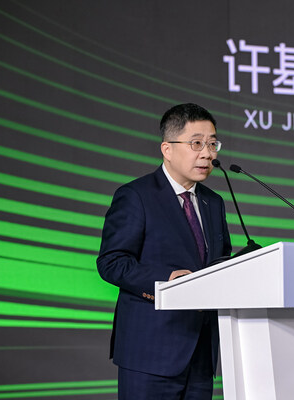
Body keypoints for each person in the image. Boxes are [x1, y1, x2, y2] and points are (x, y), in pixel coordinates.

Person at [97, 103, 232, 400]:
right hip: (149, 353)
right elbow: (112, 262)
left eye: (212, 144)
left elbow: (219, 261)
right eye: (196, 143)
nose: (207, 154)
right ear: (167, 149)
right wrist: (166, 280)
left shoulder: (213, 202)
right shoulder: (136, 196)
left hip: (200, 355)